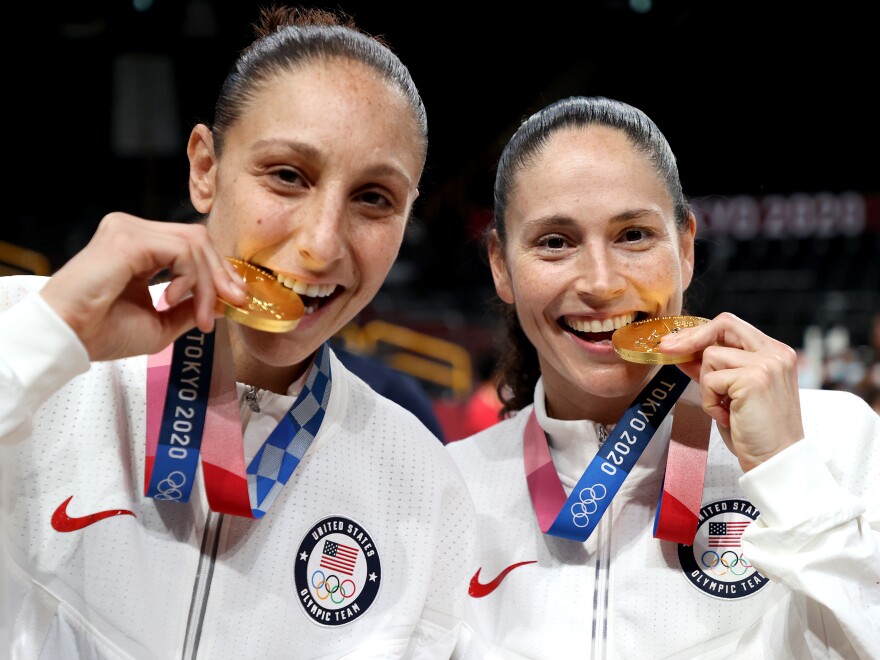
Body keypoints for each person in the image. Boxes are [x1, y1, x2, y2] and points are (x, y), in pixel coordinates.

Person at [0, 7, 476, 658]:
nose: (320, 244)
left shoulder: (421, 482)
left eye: (374, 198)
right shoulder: (29, 329)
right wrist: (51, 342)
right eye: (287, 175)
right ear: (205, 169)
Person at [446, 96, 880, 658]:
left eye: (633, 235)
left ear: (685, 247)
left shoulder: (832, 439)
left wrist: (786, 475)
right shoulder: (452, 486)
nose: (600, 283)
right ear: (502, 266)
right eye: (555, 241)